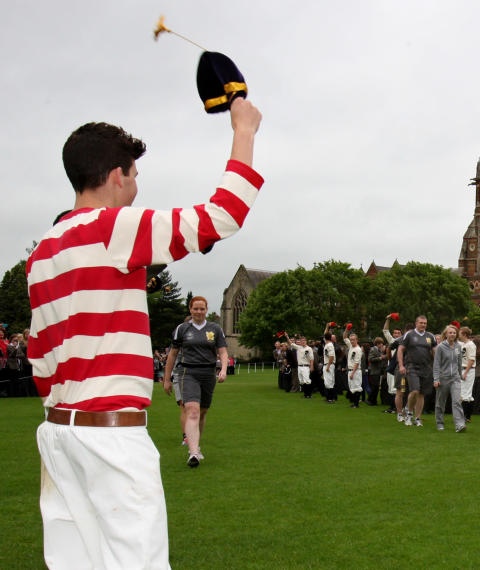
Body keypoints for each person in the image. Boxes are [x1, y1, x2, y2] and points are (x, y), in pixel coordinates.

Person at [28, 98, 262, 568]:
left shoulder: (42, 254)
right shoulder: (113, 228)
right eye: (134, 175)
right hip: (111, 435)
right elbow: (221, 217)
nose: (136, 186)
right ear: (117, 174)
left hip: (59, 434)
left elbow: (40, 359)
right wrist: (244, 132)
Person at [163, 296, 229, 465]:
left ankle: (196, 446)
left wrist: (223, 369)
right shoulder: (182, 329)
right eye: (195, 309)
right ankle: (193, 453)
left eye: (202, 309)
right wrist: (167, 379)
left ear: (206, 310)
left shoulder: (215, 329)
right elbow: (172, 354)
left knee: (203, 412)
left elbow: (222, 352)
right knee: (192, 410)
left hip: (208, 373)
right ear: (190, 310)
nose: (199, 312)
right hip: (188, 372)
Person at [397, 315, 436, 427]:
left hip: (426, 368)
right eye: (421, 323)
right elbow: (400, 349)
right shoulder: (409, 335)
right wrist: (401, 365)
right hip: (412, 367)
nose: (423, 325)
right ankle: (409, 414)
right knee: (414, 390)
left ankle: (417, 418)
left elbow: (435, 351)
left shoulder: (430, 336)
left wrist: (437, 366)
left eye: (425, 323)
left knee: (421, 394)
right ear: (416, 323)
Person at [433, 325, 466, 432]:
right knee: (440, 402)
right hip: (443, 378)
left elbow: (459, 362)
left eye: (454, 333)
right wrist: (436, 379)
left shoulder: (458, 346)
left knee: (456, 401)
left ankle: (459, 424)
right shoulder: (441, 347)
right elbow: (436, 364)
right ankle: (439, 422)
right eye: (450, 332)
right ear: (446, 334)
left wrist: (460, 374)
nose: (452, 334)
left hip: (455, 378)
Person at [284, 333, 315, 399]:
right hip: (299, 366)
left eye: (304, 341)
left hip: (306, 366)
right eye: (302, 341)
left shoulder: (309, 349)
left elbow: (311, 359)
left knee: (307, 380)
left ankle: (309, 394)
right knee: (301, 381)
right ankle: (305, 394)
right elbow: (291, 344)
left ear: (306, 341)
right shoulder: (299, 347)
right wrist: (287, 336)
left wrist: (311, 366)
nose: (303, 342)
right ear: (300, 342)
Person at [459, 326, 477, 423]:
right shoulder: (463, 344)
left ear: (464, 334)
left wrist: (465, 372)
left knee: (466, 393)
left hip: (468, 370)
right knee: (464, 393)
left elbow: (471, 359)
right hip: (463, 369)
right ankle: (467, 416)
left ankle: (466, 416)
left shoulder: (471, 345)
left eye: (460, 333)